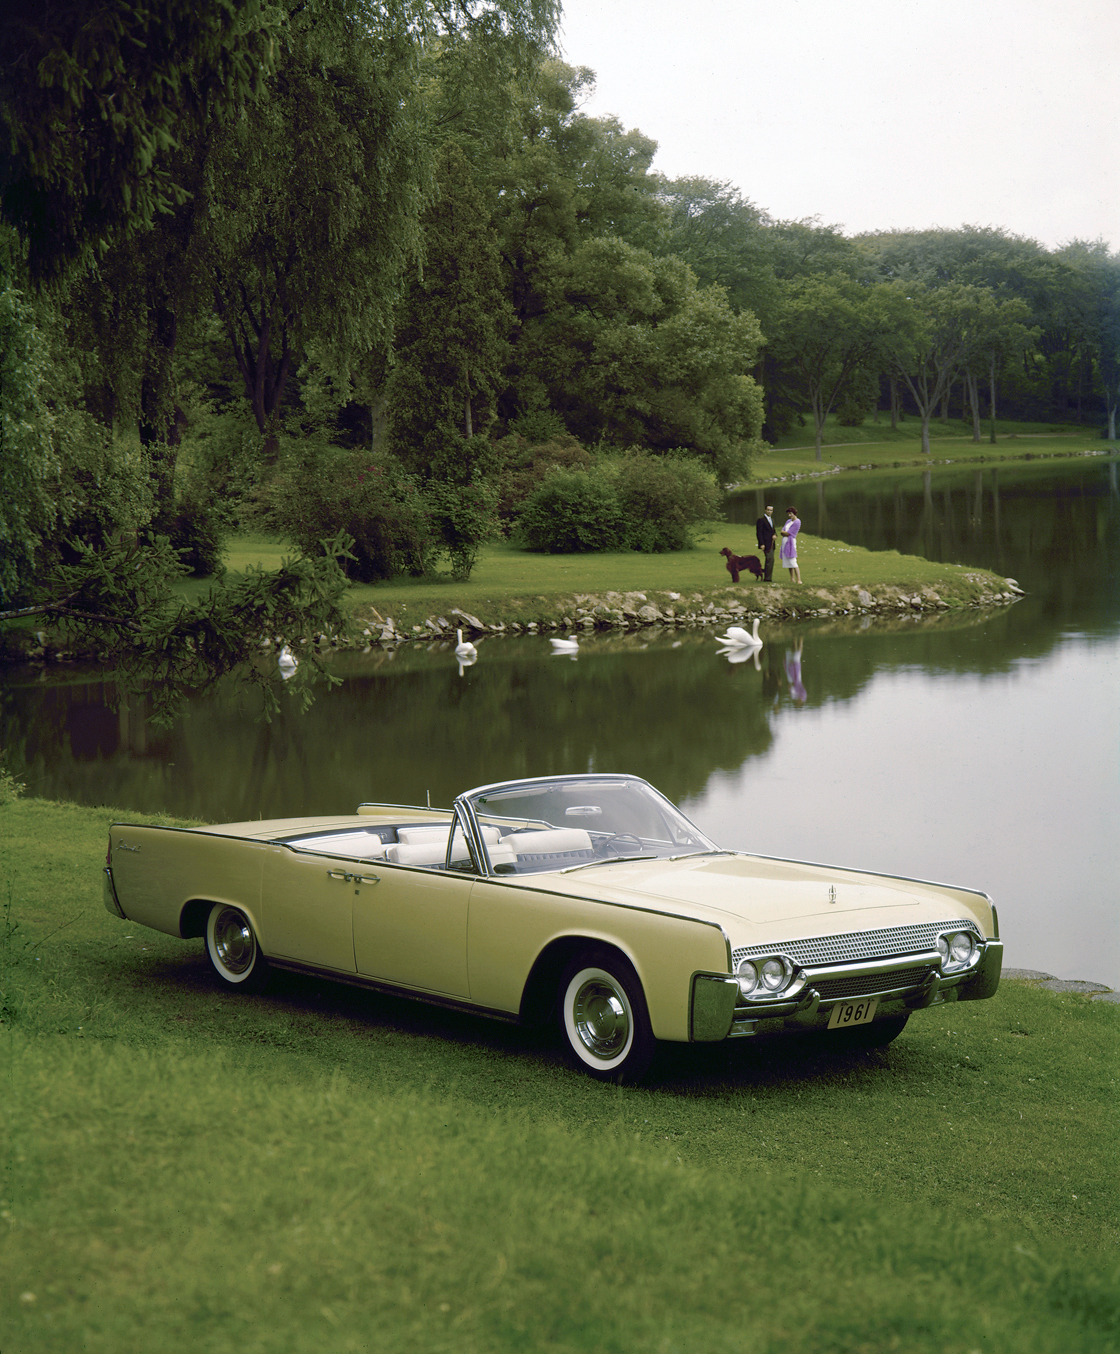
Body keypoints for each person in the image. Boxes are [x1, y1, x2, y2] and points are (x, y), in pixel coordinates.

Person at [780, 506, 801, 583]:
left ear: (794, 513)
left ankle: (799, 579)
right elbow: (782, 530)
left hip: (790, 542)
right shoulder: (788, 521)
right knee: (788, 561)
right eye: (788, 514)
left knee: (793, 560)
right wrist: (783, 532)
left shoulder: (797, 522)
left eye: (791, 513)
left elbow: (790, 533)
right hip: (785, 542)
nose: (789, 515)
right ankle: (792, 578)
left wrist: (784, 533)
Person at [755, 503, 776, 581]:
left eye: (771, 510)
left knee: (771, 560)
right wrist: (762, 544)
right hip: (765, 544)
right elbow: (759, 533)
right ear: (765, 510)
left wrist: (775, 535)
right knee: (770, 559)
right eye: (768, 510)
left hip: (772, 543)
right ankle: (767, 578)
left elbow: (773, 531)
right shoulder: (761, 520)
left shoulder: (772, 520)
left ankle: (768, 577)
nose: (769, 511)